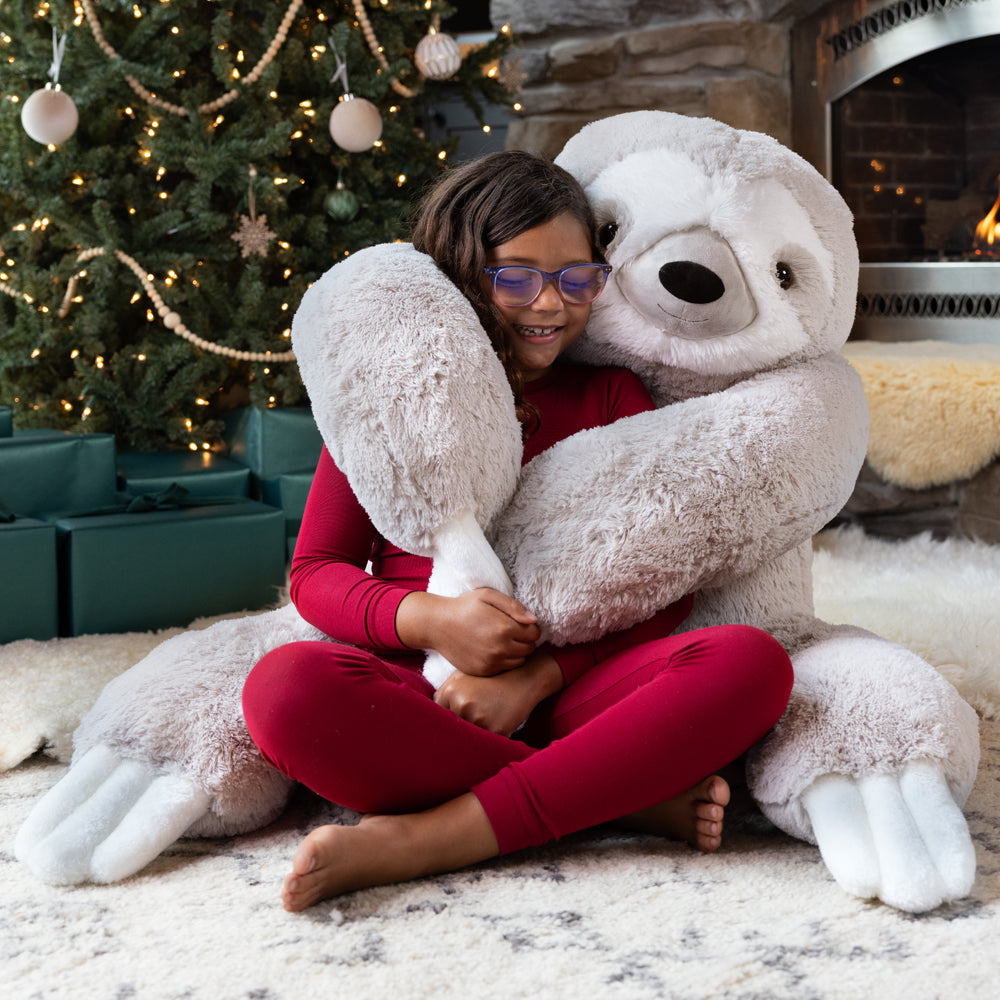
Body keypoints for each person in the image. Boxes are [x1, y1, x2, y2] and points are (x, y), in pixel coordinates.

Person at [242, 150, 794, 912]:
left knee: (749, 663)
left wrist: (536, 679)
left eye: (577, 279)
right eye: (517, 276)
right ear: (465, 274)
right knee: (284, 691)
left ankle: (431, 838)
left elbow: (661, 583)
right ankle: (614, 795)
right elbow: (318, 571)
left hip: (573, 685)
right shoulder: (389, 393)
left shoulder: (611, 394)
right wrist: (432, 619)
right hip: (426, 692)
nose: (551, 303)